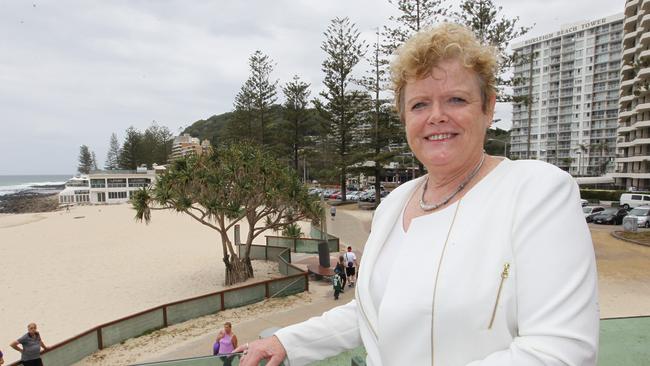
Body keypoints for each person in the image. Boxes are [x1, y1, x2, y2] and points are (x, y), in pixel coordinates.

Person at [235, 23, 599, 366]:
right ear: (404, 117)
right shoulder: (395, 204)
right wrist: (287, 342)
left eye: (456, 99)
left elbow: (561, 349)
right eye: (420, 104)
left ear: (488, 108)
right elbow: (375, 311)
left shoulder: (537, 192)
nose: (437, 116)